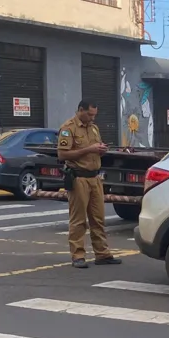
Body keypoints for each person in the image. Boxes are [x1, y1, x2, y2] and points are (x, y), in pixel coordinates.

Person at [57, 100, 122, 268]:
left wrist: (100, 149)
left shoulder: (94, 128)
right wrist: (89, 150)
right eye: (89, 114)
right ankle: (78, 255)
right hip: (79, 177)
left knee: (98, 218)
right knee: (78, 220)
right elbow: (63, 155)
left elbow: (95, 148)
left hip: (95, 178)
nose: (92, 118)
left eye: (94, 115)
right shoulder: (68, 128)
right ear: (80, 110)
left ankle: (102, 254)